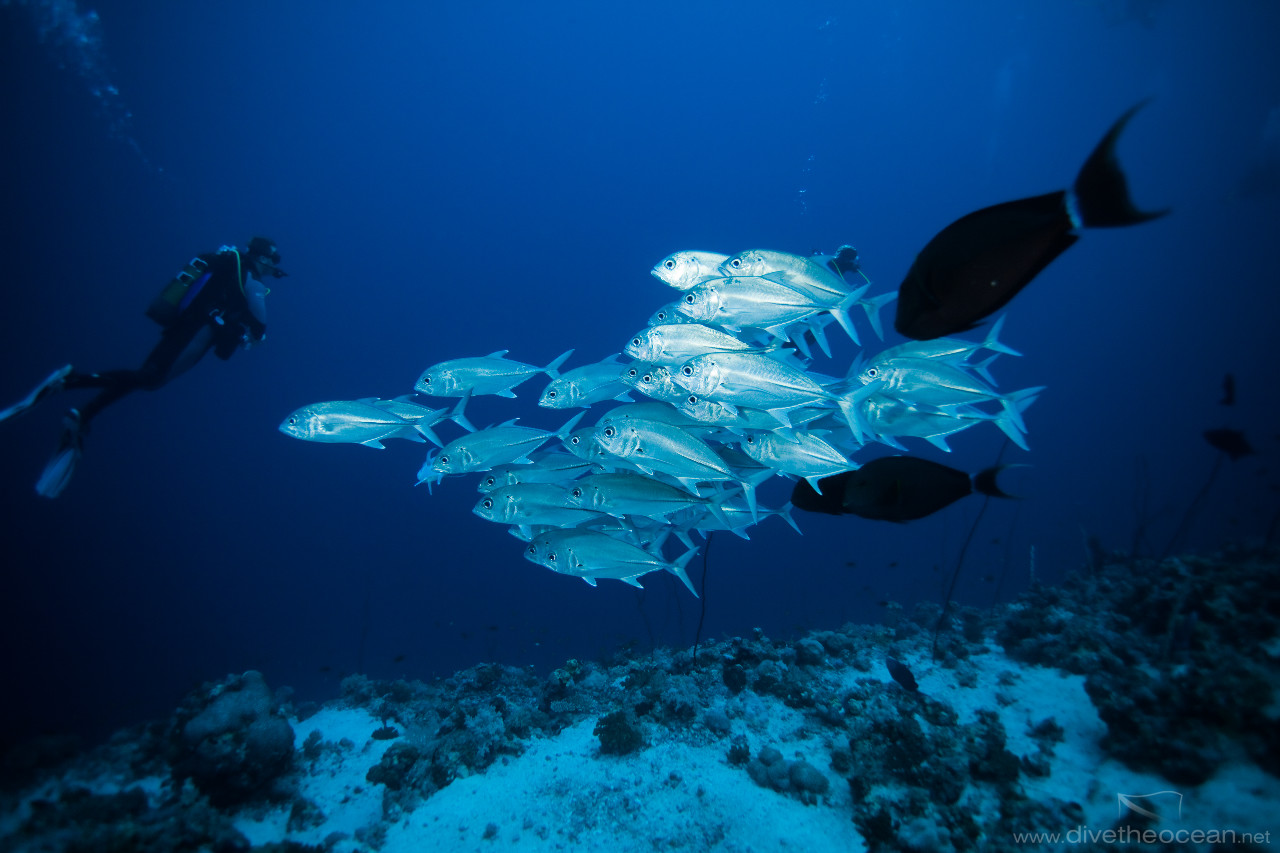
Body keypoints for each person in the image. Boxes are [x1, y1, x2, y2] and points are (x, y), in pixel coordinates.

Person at [0, 236, 288, 498]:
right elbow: (259, 322)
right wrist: (257, 334)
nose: (273, 265)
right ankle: (68, 382)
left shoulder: (227, 263)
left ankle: (84, 413)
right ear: (263, 258)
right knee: (149, 379)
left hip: (182, 327)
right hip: (196, 334)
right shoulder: (249, 277)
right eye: (272, 259)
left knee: (144, 376)